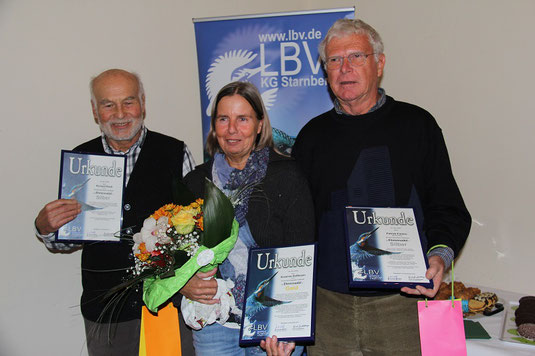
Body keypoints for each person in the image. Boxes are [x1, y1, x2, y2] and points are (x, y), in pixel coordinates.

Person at [291, 19, 471, 355]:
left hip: (402, 306)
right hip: (328, 309)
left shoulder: (418, 126)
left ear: (380, 63)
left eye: (356, 56)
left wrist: (439, 257)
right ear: (325, 70)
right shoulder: (310, 138)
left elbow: (447, 207)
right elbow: (298, 225)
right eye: (334, 60)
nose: (344, 68)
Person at [34, 69, 196, 356]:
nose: (120, 113)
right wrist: (46, 228)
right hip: (106, 315)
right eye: (108, 104)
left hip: (164, 309)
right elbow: (68, 238)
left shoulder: (175, 152)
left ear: (143, 104)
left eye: (128, 102)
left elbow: (197, 231)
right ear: (96, 112)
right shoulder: (80, 160)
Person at [180, 81, 315, 356]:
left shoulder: (287, 177)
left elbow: (301, 254)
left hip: (274, 321)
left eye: (243, 119)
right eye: (223, 119)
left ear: (260, 124)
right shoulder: (195, 183)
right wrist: (182, 285)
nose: (232, 129)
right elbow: (174, 255)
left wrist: (288, 325)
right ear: (214, 126)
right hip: (213, 322)